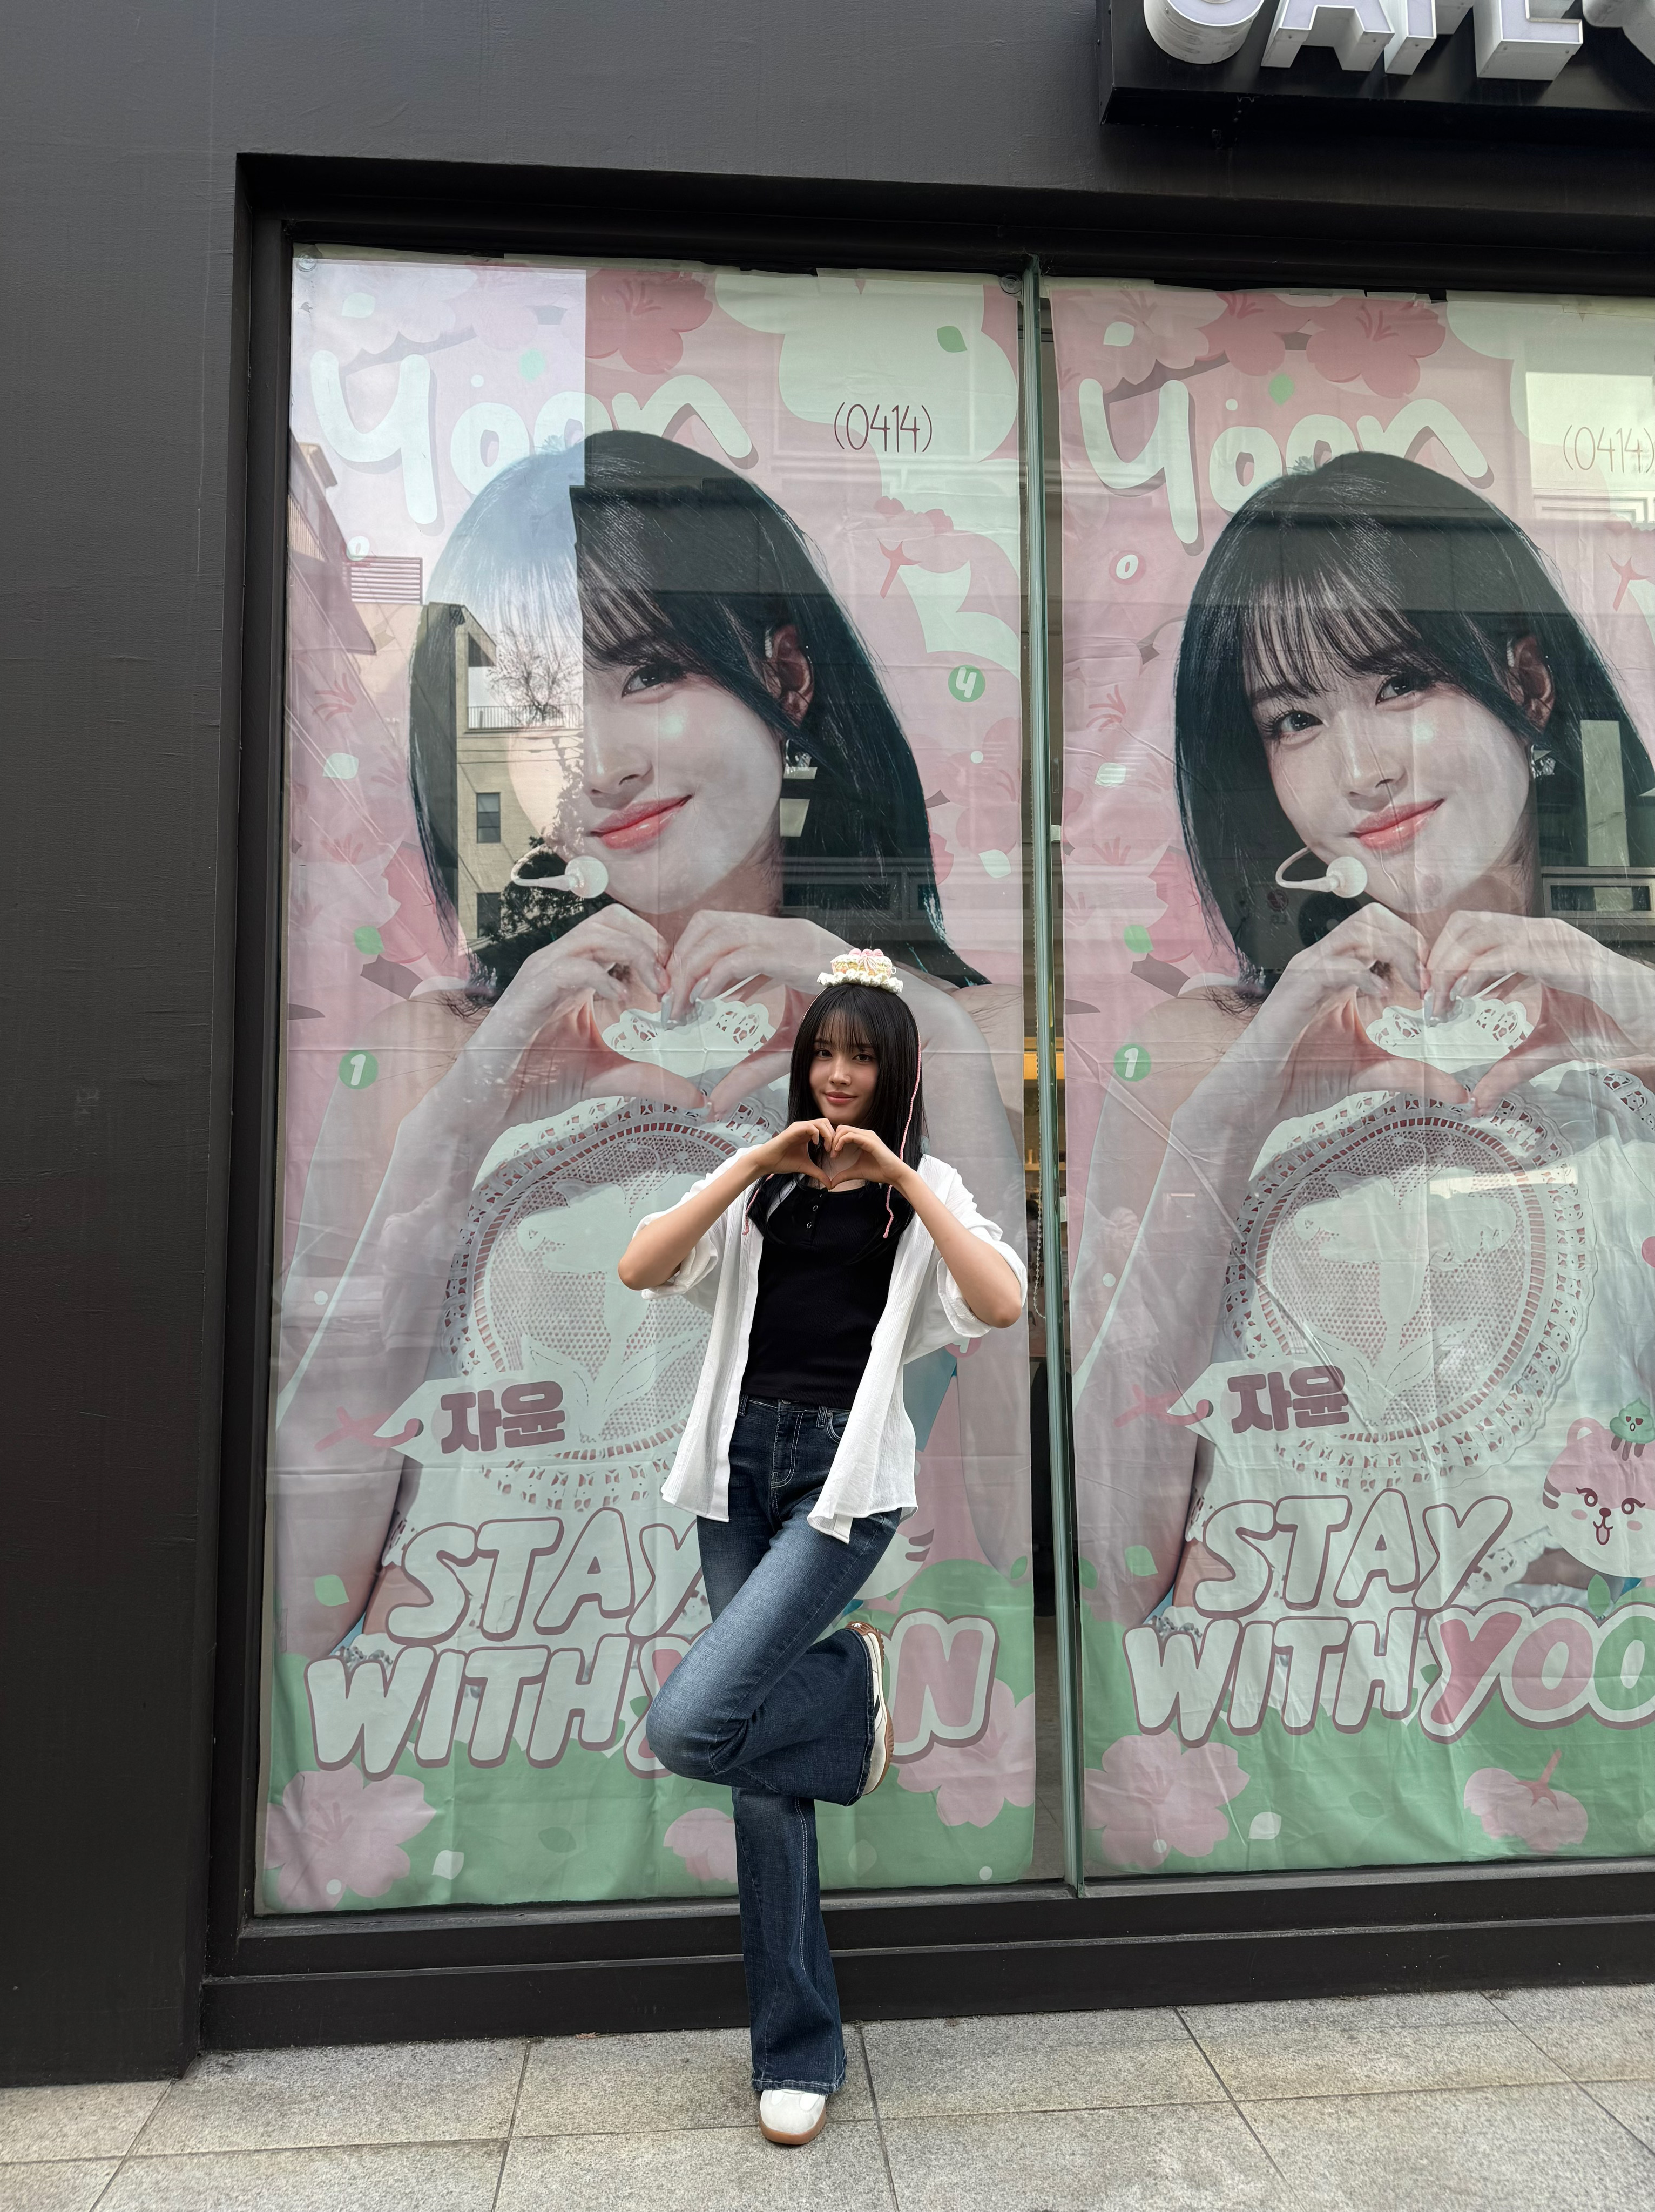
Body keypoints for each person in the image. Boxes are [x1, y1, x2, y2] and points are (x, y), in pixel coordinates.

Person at [268, 433, 1025, 1849]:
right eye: (539, 704)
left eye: (647, 672)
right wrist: (471, 1107)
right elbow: (313, 1559)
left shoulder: (940, 1037)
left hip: (866, 1770)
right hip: (486, 1766)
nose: (601, 762)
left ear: (784, 676)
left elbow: (1012, 1518)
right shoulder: (439, 1055)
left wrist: (917, 1032)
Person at [1070, 450, 1655, 1631]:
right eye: (1294, 720)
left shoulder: (1634, 1021)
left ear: (1528, 680)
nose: (1362, 770)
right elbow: (1121, 1566)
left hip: (1597, 1710)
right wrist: (1222, 1131)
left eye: (1400, 682)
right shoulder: (1205, 1056)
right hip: (1291, 1720)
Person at [619, 954, 1025, 2144]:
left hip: (840, 1487)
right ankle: (795, 2052)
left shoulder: (925, 1187)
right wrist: (752, 1162)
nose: (839, 1075)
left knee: (691, 1724)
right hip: (736, 1473)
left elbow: (1000, 1301)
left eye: (862, 1058)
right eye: (825, 1054)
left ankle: (847, 1679)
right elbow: (644, 1266)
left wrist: (900, 1175)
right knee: (762, 1778)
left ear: (895, 1072)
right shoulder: (763, 1189)